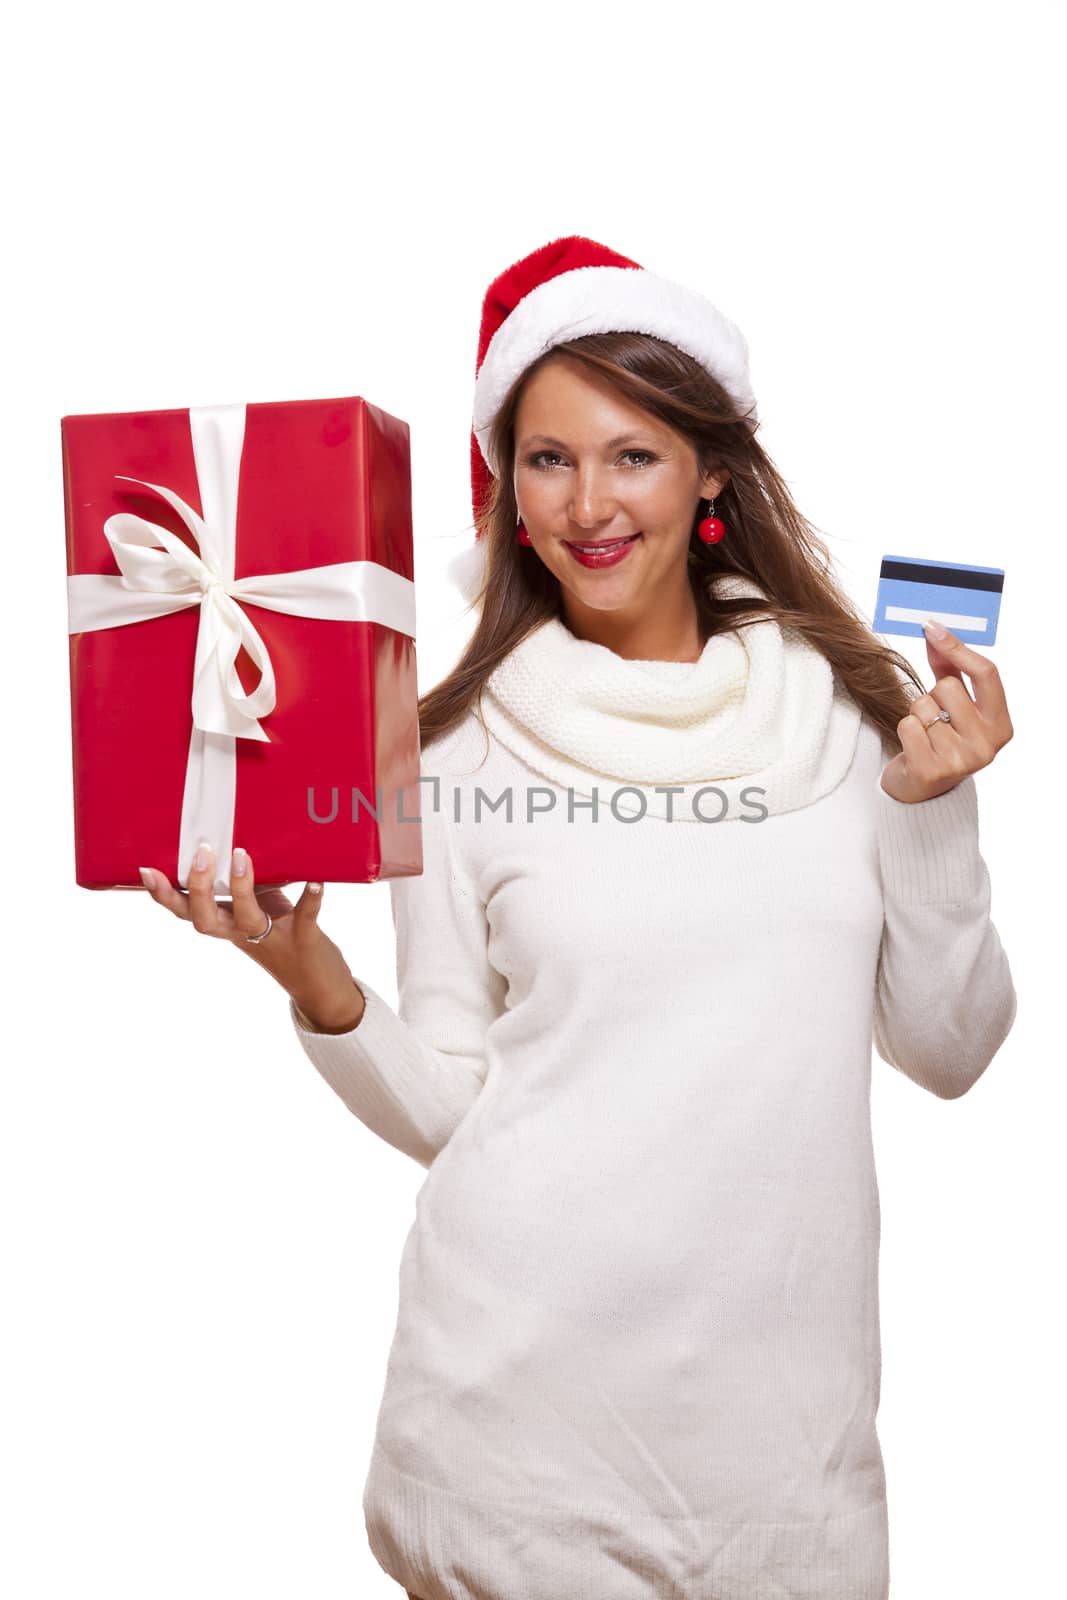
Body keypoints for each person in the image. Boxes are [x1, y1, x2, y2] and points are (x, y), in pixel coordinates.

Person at [139, 235, 1018, 1600]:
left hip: (784, 1463)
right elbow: (451, 1105)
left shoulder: (856, 724)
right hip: (518, 1443)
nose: (587, 504)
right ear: (504, 490)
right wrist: (312, 976)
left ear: (713, 470)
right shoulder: (449, 756)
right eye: (546, 459)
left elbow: (952, 1053)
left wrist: (935, 813)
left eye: (633, 454)